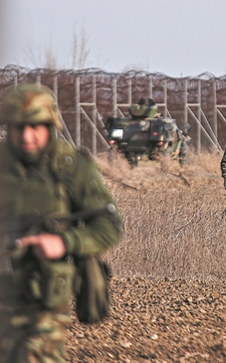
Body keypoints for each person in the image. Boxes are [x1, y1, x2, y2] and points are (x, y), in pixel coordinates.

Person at [0, 83, 123, 362]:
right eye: (18, 127)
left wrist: (64, 241)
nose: (26, 136)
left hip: (44, 302)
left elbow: (109, 225)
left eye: (35, 127)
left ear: (50, 125)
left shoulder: (70, 167)